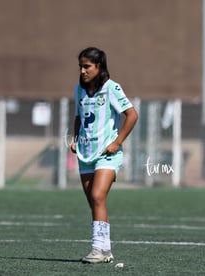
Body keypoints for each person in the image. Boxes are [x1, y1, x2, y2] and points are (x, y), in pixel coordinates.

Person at [70, 47, 138, 264]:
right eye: (80, 66)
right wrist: (75, 139)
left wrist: (117, 143)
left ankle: (97, 250)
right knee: (94, 202)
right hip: (85, 153)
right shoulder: (78, 90)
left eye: (87, 66)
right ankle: (106, 250)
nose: (82, 70)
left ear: (99, 67)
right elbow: (79, 117)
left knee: (98, 197)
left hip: (107, 155)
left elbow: (132, 115)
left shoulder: (111, 88)